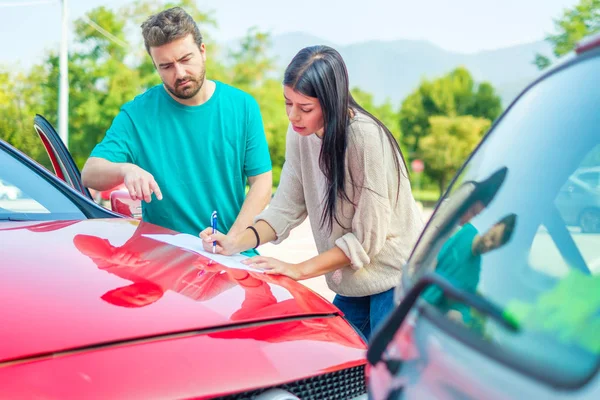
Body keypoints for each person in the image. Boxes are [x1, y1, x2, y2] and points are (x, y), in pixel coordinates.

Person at [200, 45, 424, 340]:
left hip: (397, 279)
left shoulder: (365, 138)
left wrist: (298, 269)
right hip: (353, 281)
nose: (293, 116)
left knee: (385, 378)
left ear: (331, 102)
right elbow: (286, 206)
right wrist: (235, 242)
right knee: (343, 370)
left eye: (305, 108)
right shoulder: (300, 135)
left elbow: (365, 241)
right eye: (287, 103)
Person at [80, 7, 272, 247]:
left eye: (185, 59)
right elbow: (90, 173)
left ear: (202, 52)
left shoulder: (242, 106)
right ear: (155, 66)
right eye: (166, 66)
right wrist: (126, 170)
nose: (179, 73)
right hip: (164, 261)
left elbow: (262, 182)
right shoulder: (137, 114)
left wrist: (233, 240)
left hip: (231, 255)